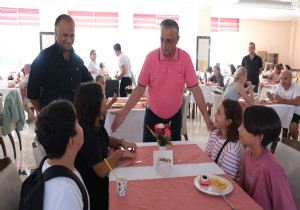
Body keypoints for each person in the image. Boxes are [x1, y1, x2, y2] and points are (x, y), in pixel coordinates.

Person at [111, 19, 214, 142]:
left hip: (174, 119)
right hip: (152, 117)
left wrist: (206, 118)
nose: (164, 45)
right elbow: (139, 88)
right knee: (149, 155)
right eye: (162, 39)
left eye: (169, 41)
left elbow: (195, 89)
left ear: (177, 39)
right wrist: (124, 111)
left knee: (172, 156)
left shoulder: (185, 58)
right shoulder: (151, 58)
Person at [74, 82, 136, 210]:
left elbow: (105, 139)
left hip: (100, 183)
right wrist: (119, 153)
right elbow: (101, 170)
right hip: (94, 193)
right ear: (93, 103)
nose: (106, 100)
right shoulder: (86, 132)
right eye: (102, 97)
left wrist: (121, 142)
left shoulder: (94, 122)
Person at [27, 14, 93, 111]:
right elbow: (33, 94)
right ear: (56, 32)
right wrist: (44, 114)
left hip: (76, 121)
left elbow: (90, 85)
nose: (69, 40)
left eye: (72, 35)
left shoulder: (78, 61)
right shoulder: (43, 59)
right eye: (65, 35)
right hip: (52, 122)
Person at [238, 105, 296, 210]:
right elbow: (242, 190)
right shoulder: (247, 155)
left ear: (259, 137)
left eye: (244, 126)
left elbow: (287, 206)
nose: (239, 128)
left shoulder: (271, 168)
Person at [35, 99, 89, 210]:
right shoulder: (66, 191)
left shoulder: (47, 163)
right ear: (71, 141)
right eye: (77, 123)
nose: (81, 127)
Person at [205, 98, 244, 181]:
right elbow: (205, 159)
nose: (215, 114)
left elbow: (225, 182)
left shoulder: (232, 150)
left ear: (228, 122)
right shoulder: (215, 134)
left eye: (219, 112)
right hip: (212, 178)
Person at [267, 70, 300, 140]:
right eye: (281, 78)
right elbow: (275, 97)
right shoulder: (280, 85)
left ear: (291, 79)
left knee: (293, 127)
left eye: (285, 78)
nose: (282, 81)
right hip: (282, 111)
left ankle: (295, 142)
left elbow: (297, 102)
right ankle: (276, 141)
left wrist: (282, 100)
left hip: (294, 112)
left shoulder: (295, 87)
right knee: (271, 122)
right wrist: (271, 96)